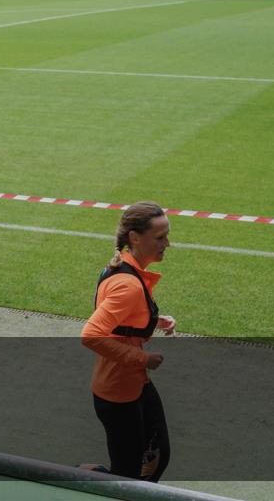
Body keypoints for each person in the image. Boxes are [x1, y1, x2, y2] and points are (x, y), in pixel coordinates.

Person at [80, 201, 176, 482]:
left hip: (133, 384)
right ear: (135, 238)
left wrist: (154, 321)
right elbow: (92, 334)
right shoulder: (129, 284)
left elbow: (120, 321)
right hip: (118, 394)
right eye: (160, 238)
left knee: (157, 457)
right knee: (126, 476)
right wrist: (143, 358)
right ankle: (78, 475)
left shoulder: (124, 266)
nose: (167, 243)